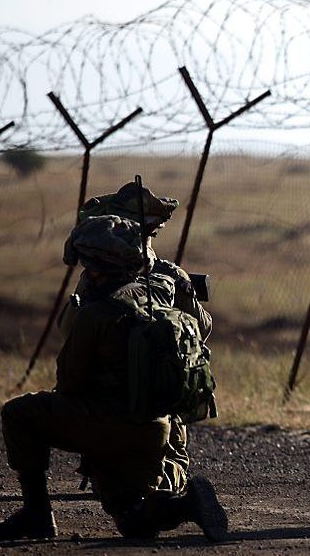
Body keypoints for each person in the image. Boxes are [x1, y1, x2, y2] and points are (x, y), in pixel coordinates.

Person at [0, 215, 227, 542]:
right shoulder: (162, 289)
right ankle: (186, 507)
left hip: (112, 424)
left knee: (19, 413)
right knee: (133, 522)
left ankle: (37, 513)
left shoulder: (97, 312)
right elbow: (201, 327)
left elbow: (69, 383)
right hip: (160, 427)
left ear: (95, 267)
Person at [73, 182, 213, 498]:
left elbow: (69, 331)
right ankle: (166, 491)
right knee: (169, 461)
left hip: (98, 403)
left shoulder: (95, 277)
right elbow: (202, 329)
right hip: (157, 402)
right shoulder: (169, 276)